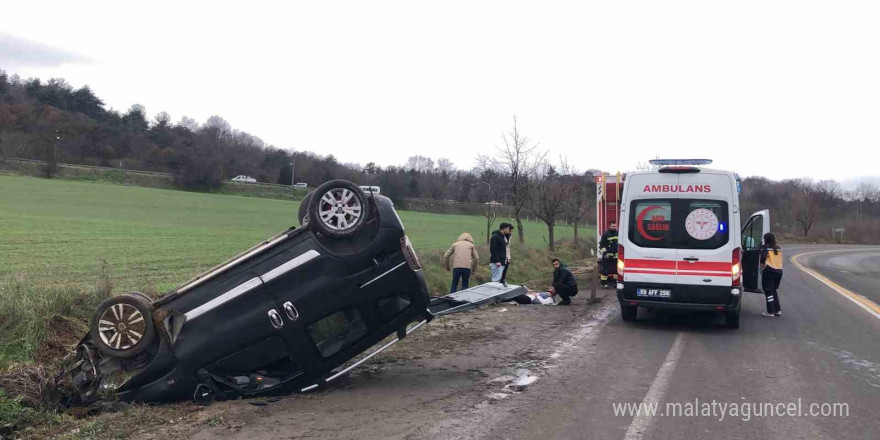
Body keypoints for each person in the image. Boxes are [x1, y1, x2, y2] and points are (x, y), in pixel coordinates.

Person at [760, 232, 783, 317]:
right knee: (773, 290)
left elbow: (762, 258)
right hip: (779, 272)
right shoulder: (778, 248)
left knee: (768, 291)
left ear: (766, 239)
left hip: (769, 270)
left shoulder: (766, 247)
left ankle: (770, 312)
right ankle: (777, 310)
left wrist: (762, 266)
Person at [599, 221, 619, 288]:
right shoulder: (605, 235)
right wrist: (605, 253)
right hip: (607, 256)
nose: (614, 227)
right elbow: (602, 246)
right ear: (609, 226)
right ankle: (604, 284)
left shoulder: (618, 234)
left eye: (615, 226)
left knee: (617, 270)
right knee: (605, 270)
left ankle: (615, 282)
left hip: (616, 256)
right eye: (613, 226)